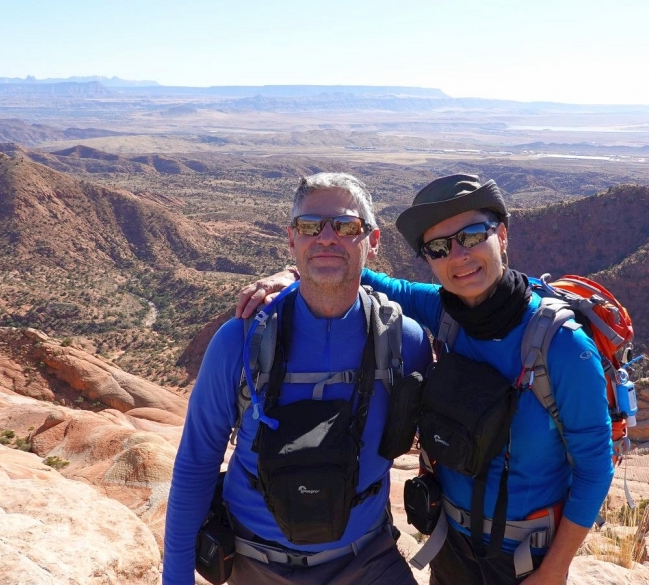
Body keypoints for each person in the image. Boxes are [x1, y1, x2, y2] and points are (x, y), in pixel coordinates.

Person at [237, 174, 615, 585]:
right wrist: (292, 274)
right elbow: (359, 276)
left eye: (472, 236)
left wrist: (555, 570)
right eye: (439, 247)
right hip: (450, 547)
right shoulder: (446, 312)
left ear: (502, 235)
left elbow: (595, 468)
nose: (459, 256)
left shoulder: (561, 346)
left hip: (526, 560)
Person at [164, 173, 432, 585]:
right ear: (292, 240)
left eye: (345, 226)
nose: (326, 237)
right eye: (310, 226)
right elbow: (197, 462)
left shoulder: (404, 342)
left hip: (368, 561)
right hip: (257, 563)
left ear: (373, 242)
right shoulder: (240, 339)